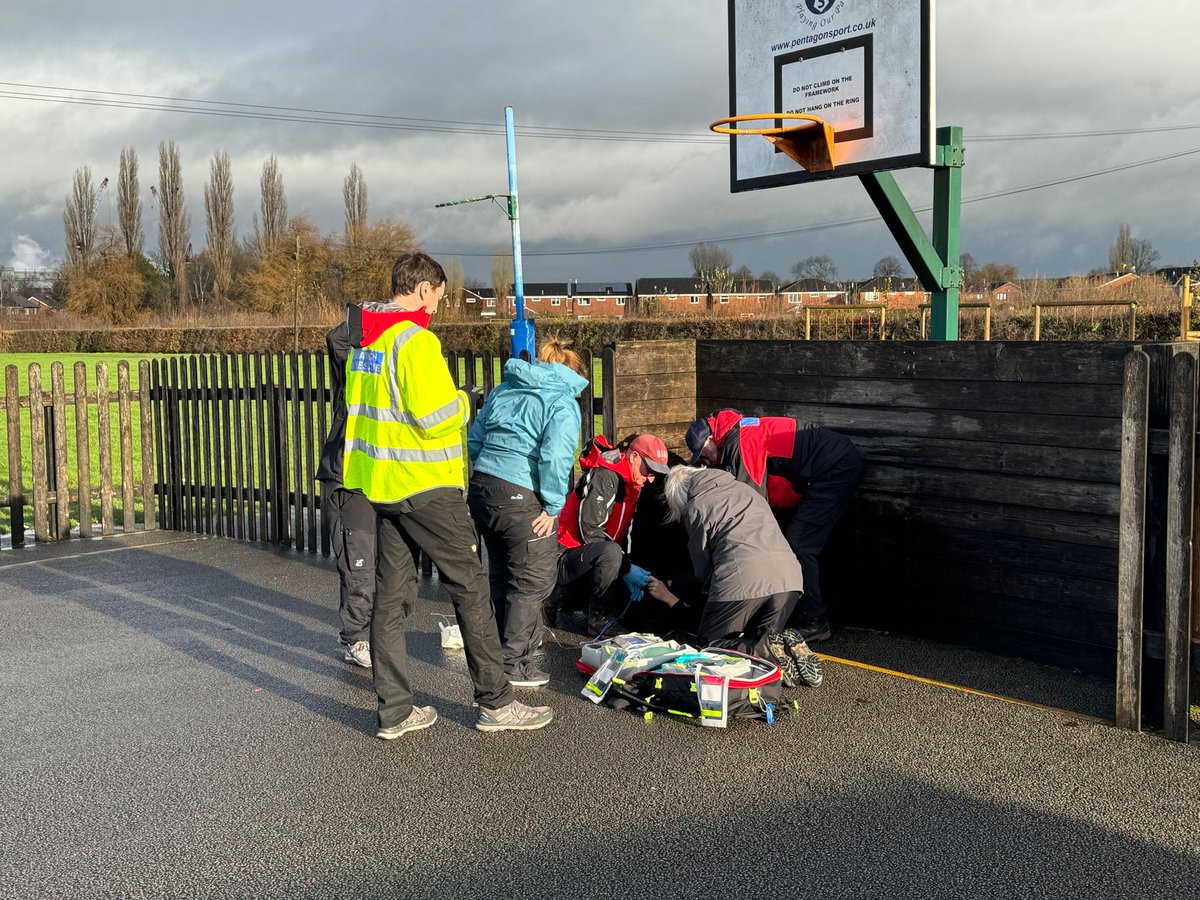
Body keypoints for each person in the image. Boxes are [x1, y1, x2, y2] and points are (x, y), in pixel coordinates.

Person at [342, 250, 553, 739]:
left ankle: (394, 711)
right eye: (438, 293)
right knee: (471, 589)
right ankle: (496, 704)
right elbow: (435, 416)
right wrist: (464, 400)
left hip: (383, 486)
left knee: (391, 600)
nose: (438, 304)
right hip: (427, 486)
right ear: (422, 288)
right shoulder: (415, 342)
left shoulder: (367, 341)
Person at [466, 337, 589, 688]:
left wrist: (490, 471)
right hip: (521, 494)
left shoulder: (506, 389)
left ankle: (498, 656)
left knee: (502, 575)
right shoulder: (562, 402)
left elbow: (475, 439)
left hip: (483, 488)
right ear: (573, 372)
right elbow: (555, 457)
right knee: (533, 580)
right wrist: (552, 505)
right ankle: (513, 665)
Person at [317, 298, 431, 669]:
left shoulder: (393, 366)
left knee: (393, 568)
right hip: (348, 478)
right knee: (359, 564)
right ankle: (356, 638)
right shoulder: (355, 364)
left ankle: (375, 632)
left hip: (382, 478)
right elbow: (337, 339)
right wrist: (370, 316)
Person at [685, 409, 863, 642]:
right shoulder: (741, 430)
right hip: (829, 464)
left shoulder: (738, 442)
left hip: (834, 467)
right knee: (792, 540)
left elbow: (751, 504)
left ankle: (814, 620)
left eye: (704, 455)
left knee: (798, 545)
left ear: (711, 439)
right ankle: (799, 610)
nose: (706, 462)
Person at [654, 465, 822, 688]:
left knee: (711, 646)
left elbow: (702, 564)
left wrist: (707, 597)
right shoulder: (746, 490)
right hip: (789, 577)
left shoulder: (697, 505)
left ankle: (763, 651)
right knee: (763, 637)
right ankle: (784, 652)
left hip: (743, 577)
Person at [548, 432, 671, 635]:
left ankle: (588, 605)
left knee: (620, 566)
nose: (650, 479)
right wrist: (626, 568)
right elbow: (589, 530)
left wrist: (628, 565)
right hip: (564, 556)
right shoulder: (605, 476)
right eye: (649, 470)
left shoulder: (632, 484)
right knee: (612, 554)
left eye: (655, 474)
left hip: (590, 556)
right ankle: (597, 619)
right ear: (634, 457)